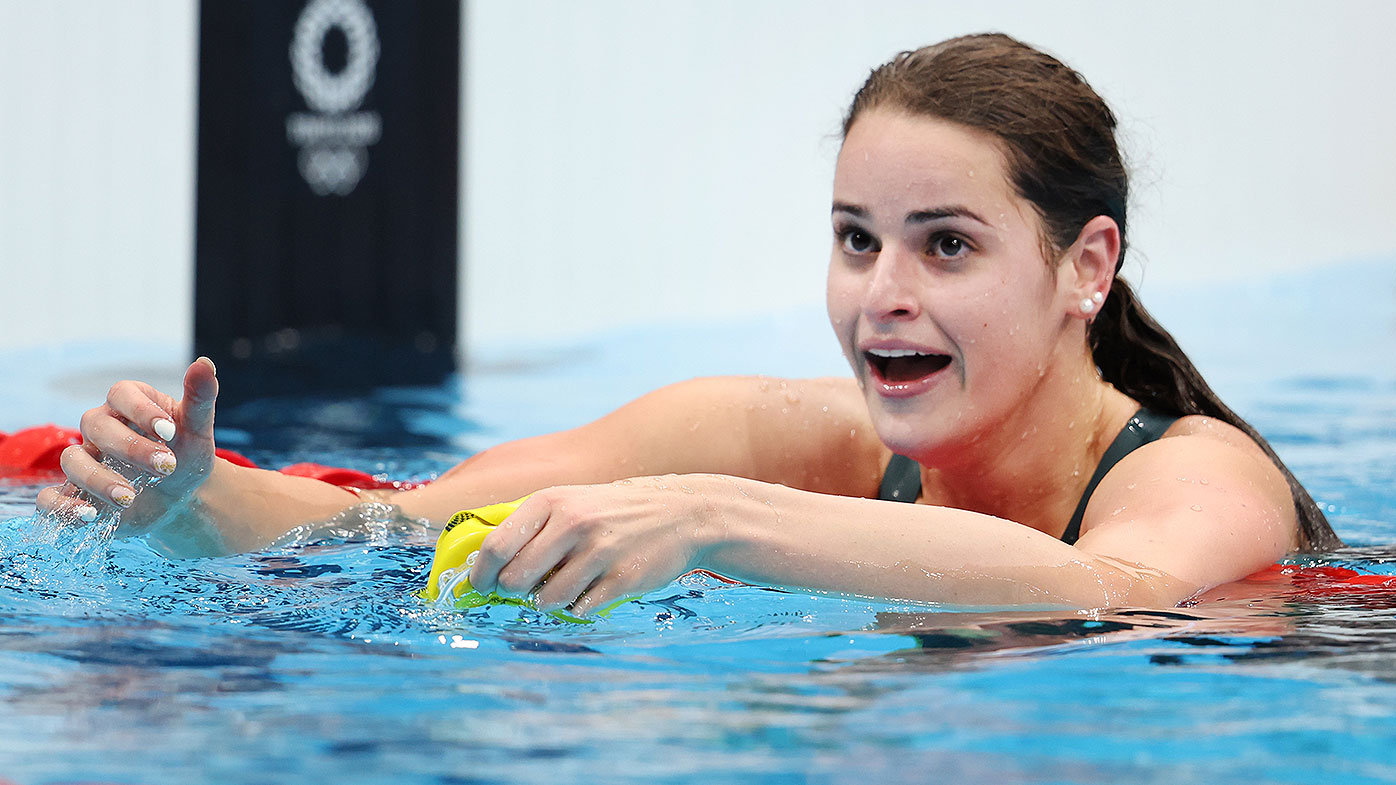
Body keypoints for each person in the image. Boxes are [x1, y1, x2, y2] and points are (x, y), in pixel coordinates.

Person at [39, 33, 1341, 615]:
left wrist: (713, 516)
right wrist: (189, 504)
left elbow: (1114, 593)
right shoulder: (782, 435)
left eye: (948, 244)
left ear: (1086, 267)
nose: (883, 287)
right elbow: (389, 522)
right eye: (855, 239)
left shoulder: (1204, 476)